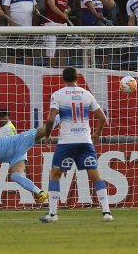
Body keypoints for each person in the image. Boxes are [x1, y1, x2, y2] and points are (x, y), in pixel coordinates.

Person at [40, 66, 113, 223]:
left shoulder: (58, 95)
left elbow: (51, 119)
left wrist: (47, 136)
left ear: (63, 79)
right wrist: (97, 134)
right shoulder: (86, 94)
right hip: (85, 141)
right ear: (77, 78)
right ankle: (106, 213)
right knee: (95, 175)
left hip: (66, 142)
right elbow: (102, 118)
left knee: (55, 175)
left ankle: (53, 215)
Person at [43, 0, 70, 67]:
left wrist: (67, 11)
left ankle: (62, 73)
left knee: (62, 50)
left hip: (63, 25)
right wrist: (62, 14)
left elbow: (68, 7)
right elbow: (52, 5)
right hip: (51, 24)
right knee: (52, 52)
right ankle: (51, 73)